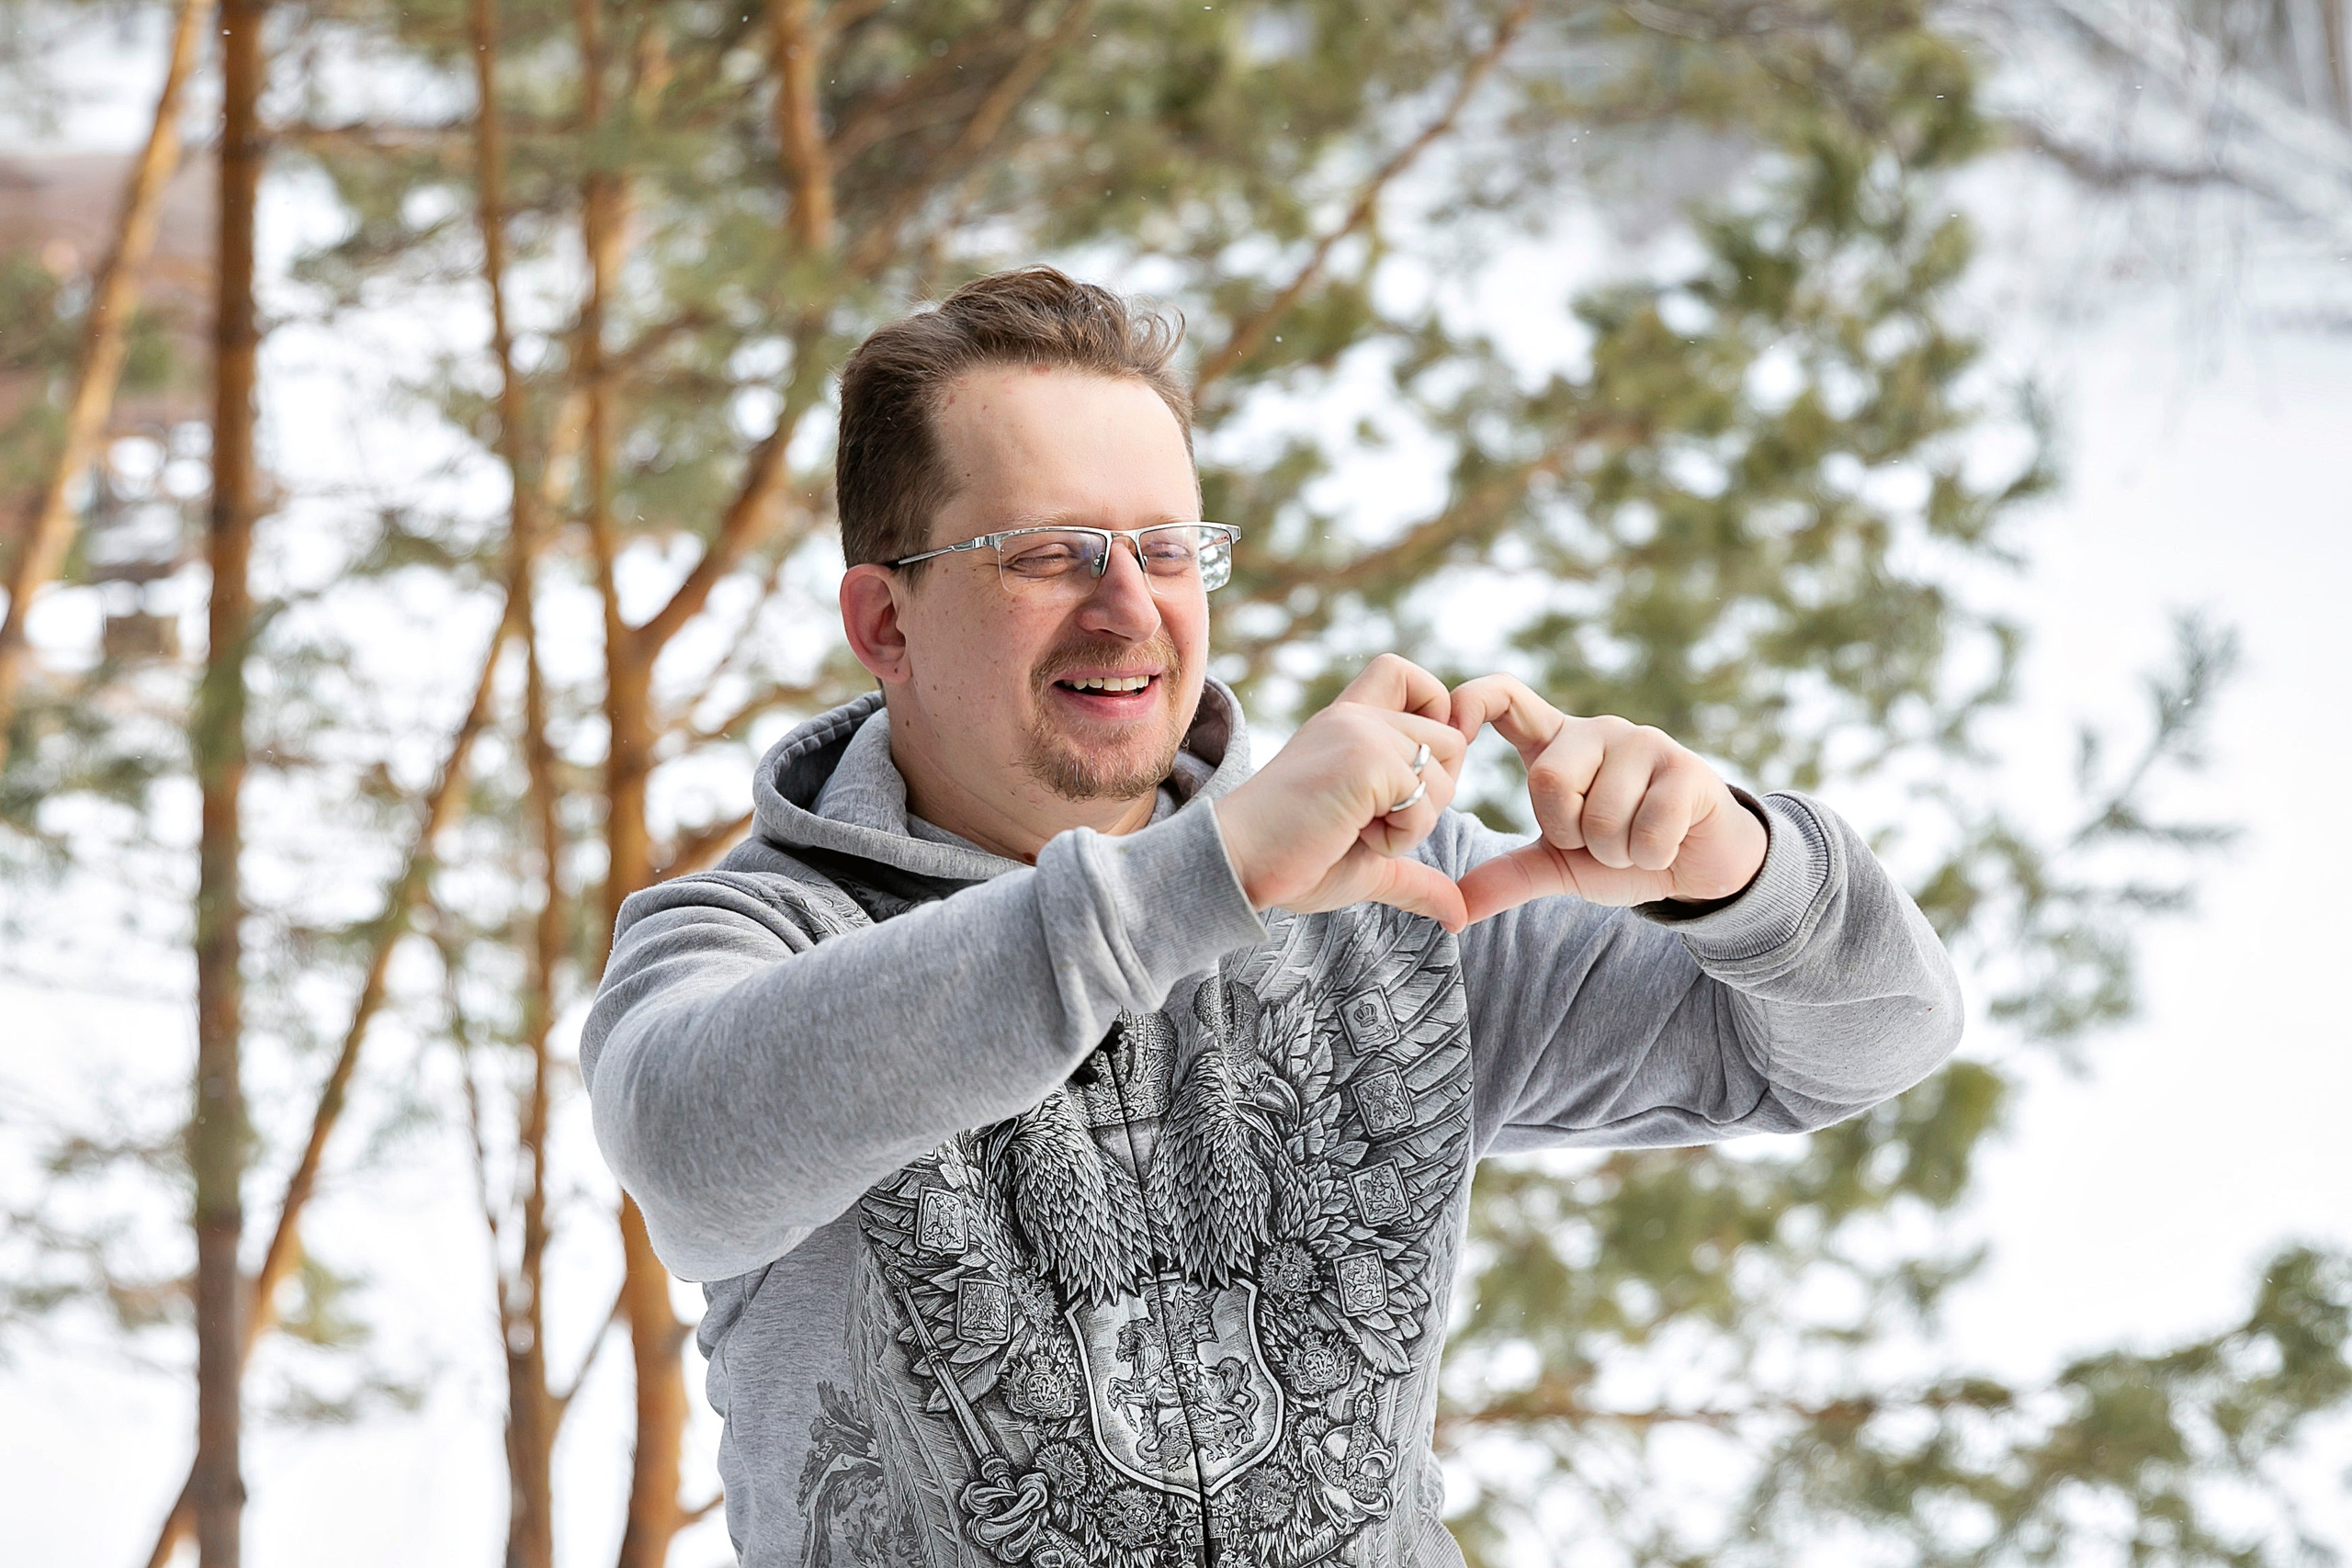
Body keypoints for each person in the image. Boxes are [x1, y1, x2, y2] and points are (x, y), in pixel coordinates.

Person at [581, 266, 1962, 1568]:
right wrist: (1211, 876)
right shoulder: (754, 936)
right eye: (1052, 554)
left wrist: (1735, 864)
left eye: (1168, 551)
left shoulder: (1402, 908)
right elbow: (693, 1147)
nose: (1129, 612)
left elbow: (1876, 1039)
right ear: (884, 620)